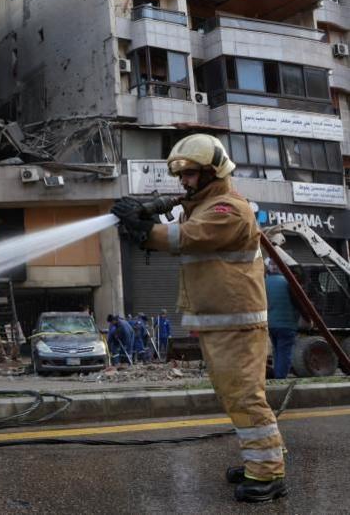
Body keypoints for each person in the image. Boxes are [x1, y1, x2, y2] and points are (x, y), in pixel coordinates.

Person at [112, 133, 286, 503]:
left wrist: (144, 228)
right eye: (182, 176)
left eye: (190, 174)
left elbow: (188, 237)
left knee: (245, 396)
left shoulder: (228, 209)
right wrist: (145, 221)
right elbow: (183, 232)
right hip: (221, 321)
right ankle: (260, 460)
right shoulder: (203, 205)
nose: (184, 182)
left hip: (236, 323)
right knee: (233, 395)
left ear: (212, 172)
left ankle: (268, 474)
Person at [264, 259, 299, 380]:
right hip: (287, 324)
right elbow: (298, 302)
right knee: (285, 352)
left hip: (271, 324)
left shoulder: (264, 282)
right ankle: (280, 378)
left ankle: (277, 375)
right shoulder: (288, 282)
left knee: (277, 351)